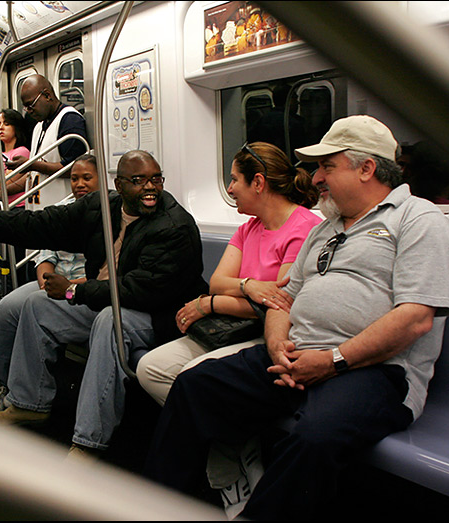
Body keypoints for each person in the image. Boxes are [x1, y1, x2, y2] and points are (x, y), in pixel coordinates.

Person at [143, 115, 449, 520]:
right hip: (296, 354)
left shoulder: (419, 220)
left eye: (327, 166)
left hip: (377, 370)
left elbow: (416, 318)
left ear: (366, 168)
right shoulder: (326, 229)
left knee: (315, 436)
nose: (315, 179)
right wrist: (277, 346)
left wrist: (333, 360)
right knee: (195, 386)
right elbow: (283, 298)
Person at [0, 150, 208, 456]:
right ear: (119, 185)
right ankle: (29, 404)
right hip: (107, 300)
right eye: (139, 180)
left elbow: (137, 292)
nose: (150, 187)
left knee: (109, 321)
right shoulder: (102, 208)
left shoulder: (174, 226)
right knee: (38, 306)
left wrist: (75, 292)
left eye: (156, 179)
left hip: (156, 315)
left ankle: (88, 442)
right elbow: (44, 224)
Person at [136, 141, 320, 517]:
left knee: (194, 382)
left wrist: (211, 303)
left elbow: (279, 303)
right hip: (230, 327)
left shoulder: (304, 229)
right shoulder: (249, 227)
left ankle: (225, 474)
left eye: (234, 180)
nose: (230, 188)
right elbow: (219, 279)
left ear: (257, 182)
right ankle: (237, 444)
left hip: (266, 332)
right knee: (150, 370)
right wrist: (249, 286)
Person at [0, 154, 100, 419]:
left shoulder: (109, 212)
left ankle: (29, 401)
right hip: (54, 281)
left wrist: (66, 287)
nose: (79, 184)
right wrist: (46, 282)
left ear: (101, 179)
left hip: (80, 287)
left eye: (87, 178)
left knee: (35, 307)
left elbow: (105, 275)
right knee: (7, 307)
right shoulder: (65, 208)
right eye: (74, 178)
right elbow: (45, 256)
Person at [7, 74, 88, 209]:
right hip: (39, 213)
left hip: (61, 211)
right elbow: (34, 176)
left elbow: (74, 169)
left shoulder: (69, 120)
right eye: (26, 107)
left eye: (31, 105)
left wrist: (32, 165)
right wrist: (3, 192)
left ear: (47, 95)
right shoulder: (39, 126)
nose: (29, 111)